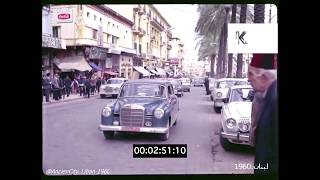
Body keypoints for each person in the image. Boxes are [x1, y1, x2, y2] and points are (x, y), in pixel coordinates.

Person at [247, 54, 278, 175]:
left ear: (264, 76)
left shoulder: (275, 100)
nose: (249, 79)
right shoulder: (267, 97)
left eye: (251, 74)